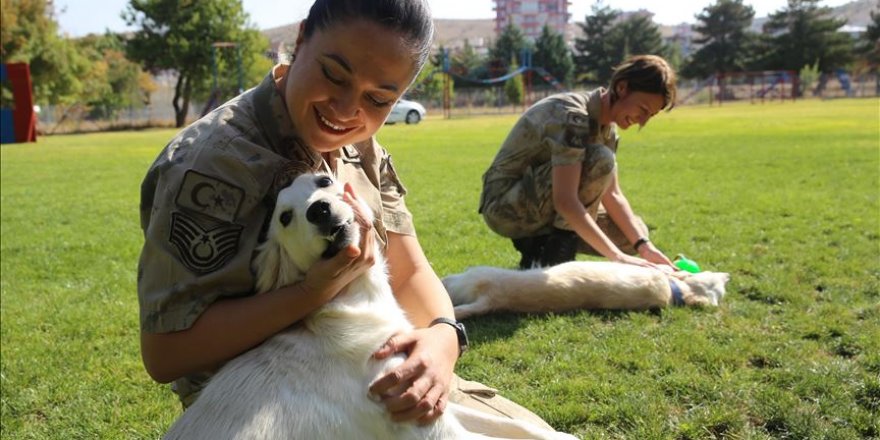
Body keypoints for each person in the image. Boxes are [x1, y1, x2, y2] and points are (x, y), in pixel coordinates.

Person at [137, 0, 557, 433]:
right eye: (334, 75)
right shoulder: (210, 164)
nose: (344, 109)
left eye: (378, 99)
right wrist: (312, 293)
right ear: (301, 39)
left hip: (367, 372)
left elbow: (410, 270)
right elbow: (167, 353)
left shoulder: (359, 145)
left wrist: (443, 338)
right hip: (272, 409)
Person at [479, 54, 678, 270]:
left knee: (631, 233)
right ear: (622, 88)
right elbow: (565, 200)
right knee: (601, 159)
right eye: (643, 109)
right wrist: (617, 257)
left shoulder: (608, 130)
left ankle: (537, 249)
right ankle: (554, 260)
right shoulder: (572, 116)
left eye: (650, 115)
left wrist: (645, 247)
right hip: (504, 206)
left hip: (539, 202)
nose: (643, 121)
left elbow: (613, 195)